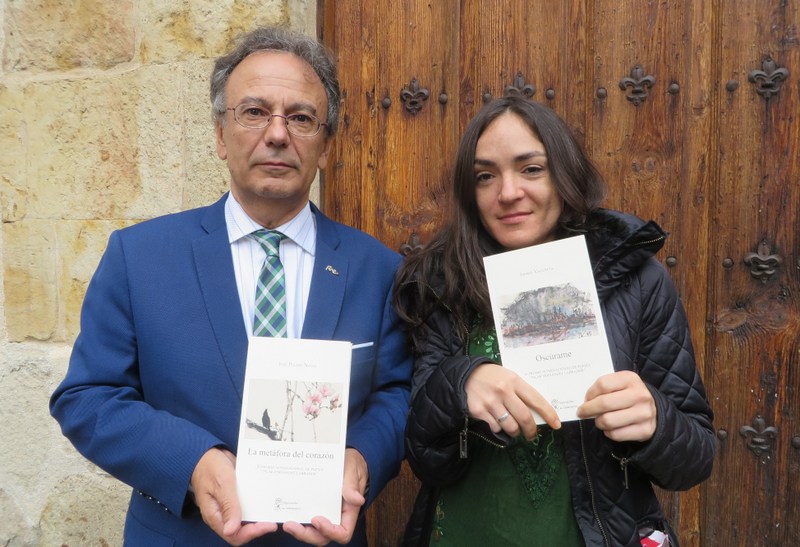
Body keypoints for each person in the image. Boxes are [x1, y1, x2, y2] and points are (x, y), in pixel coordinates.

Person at [50, 26, 412, 547]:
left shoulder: (377, 268)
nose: (278, 134)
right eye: (254, 112)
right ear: (221, 135)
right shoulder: (140, 257)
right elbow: (87, 397)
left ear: (327, 145)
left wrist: (360, 459)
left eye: (302, 118)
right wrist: (192, 461)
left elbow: (397, 395)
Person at [393, 95, 715, 547]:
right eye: (485, 176)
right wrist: (459, 383)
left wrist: (656, 422)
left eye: (531, 169)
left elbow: (696, 457)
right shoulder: (444, 284)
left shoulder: (636, 280)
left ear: (564, 174)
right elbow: (425, 457)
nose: (508, 193)